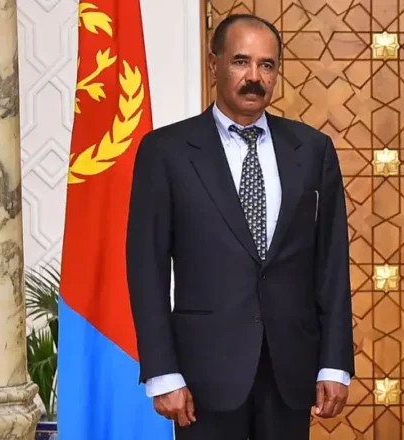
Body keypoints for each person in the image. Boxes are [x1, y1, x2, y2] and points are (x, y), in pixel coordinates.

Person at [125, 13, 354, 440]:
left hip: (291, 370)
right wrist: (162, 372)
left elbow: (332, 263)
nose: (254, 77)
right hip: (203, 375)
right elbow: (146, 269)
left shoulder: (312, 149)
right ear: (214, 65)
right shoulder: (166, 151)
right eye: (241, 62)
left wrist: (335, 364)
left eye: (267, 65)